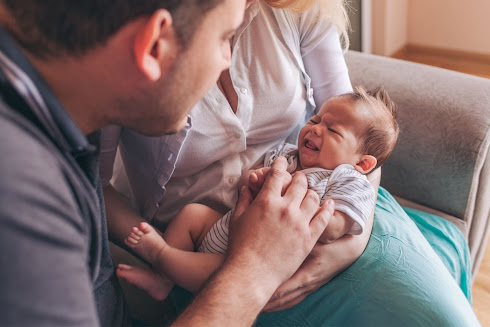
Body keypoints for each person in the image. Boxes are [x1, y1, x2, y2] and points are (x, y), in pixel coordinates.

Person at [0, 1, 334, 326]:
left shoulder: (57, 115)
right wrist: (256, 269)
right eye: (223, 38)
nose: (227, 60)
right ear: (154, 45)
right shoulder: (20, 197)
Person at [117, 86, 400, 298]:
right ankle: (162, 281)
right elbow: (245, 185)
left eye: (333, 130)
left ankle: (163, 256)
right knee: (192, 214)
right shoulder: (287, 156)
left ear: (362, 163)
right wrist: (256, 179)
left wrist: (306, 206)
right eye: (314, 121)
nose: (315, 130)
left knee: (225, 275)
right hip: (228, 228)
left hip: (260, 254)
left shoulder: (346, 179)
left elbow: (338, 226)